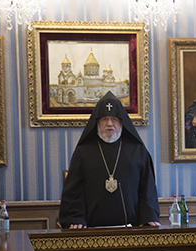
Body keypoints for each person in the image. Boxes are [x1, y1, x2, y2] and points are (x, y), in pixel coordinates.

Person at [59, 91, 160, 228]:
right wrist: (75, 218)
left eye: (114, 119)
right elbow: (73, 191)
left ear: (122, 122)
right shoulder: (83, 152)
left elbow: (147, 188)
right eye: (104, 119)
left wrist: (148, 217)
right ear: (97, 123)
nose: (109, 124)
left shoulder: (138, 151)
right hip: (91, 231)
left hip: (132, 230)